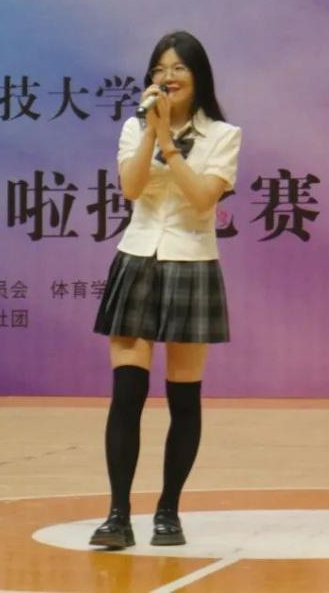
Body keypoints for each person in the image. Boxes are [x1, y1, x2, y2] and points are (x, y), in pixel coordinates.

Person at [89, 31, 241, 550]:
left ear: (198, 77)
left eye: (178, 69)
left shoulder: (223, 134)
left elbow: (202, 199)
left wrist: (170, 145)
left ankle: (168, 511)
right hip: (137, 259)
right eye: (159, 69)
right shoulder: (134, 128)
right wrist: (151, 134)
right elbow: (131, 188)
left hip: (191, 263)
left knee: (184, 397)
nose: (167, 77)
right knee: (127, 395)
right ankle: (117, 515)